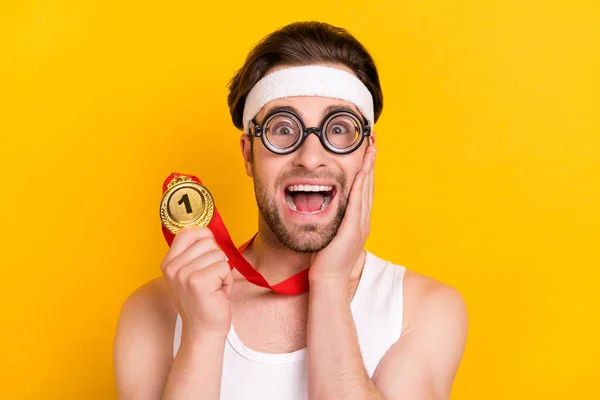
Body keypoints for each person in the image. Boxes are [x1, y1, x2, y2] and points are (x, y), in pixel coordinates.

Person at [114, 21, 468, 400]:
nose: (311, 158)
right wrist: (202, 337)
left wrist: (330, 283)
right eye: (283, 130)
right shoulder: (156, 310)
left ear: (368, 152)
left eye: (338, 130)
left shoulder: (421, 310)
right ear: (248, 153)